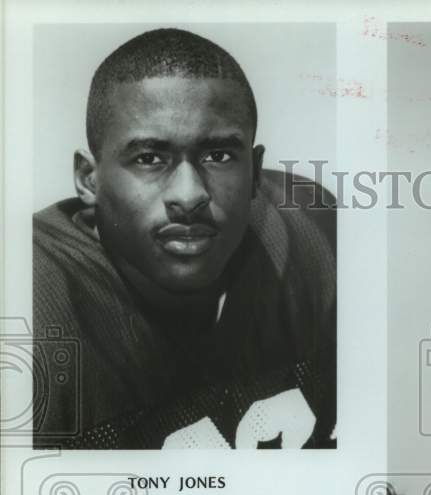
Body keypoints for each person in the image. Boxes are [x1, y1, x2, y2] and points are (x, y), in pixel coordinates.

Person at [33, 28, 336, 450]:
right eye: (149, 158)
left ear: (254, 169)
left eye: (219, 156)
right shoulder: (31, 308)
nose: (189, 195)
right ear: (89, 179)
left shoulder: (311, 233)